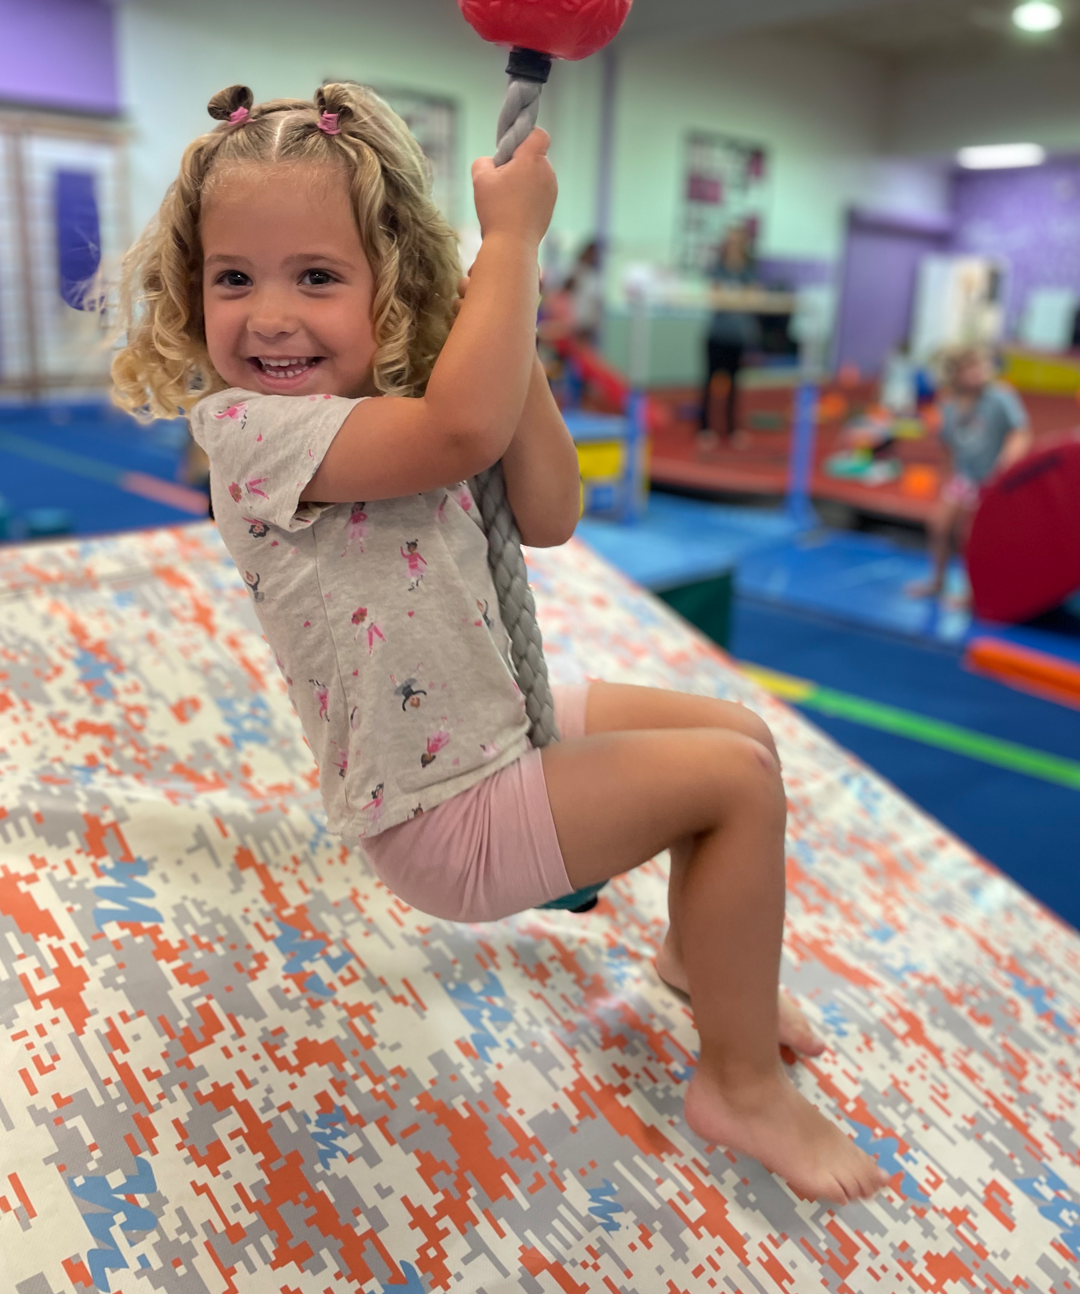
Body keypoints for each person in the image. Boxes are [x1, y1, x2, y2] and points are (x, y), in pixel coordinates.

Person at [111, 81, 886, 1205]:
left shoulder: (418, 389)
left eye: (316, 277)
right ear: (195, 291)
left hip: (493, 724)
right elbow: (458, 431)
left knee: (736, 734)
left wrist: (487, 309)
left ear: (389, 289)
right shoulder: (246, 429)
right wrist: (516, 243)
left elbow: (554, 508)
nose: (269, 315)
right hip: (438, 811)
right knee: (727, 786)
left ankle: (694, 958)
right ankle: (740, 1085)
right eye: (234, 278)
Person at [909, 344, 1032, 602]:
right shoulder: (949, 404)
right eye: (972, 368)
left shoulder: (1000, 397)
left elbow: (1020, 433)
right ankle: (937, 581)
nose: (980, 372)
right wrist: (947, 479)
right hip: (964, 478)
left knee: (971, 536)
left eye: (983, 366)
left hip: (991, 481)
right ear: (956, 374)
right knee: (939, 526)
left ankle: (972, 592)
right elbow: (948, 446)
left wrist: (1006, 462)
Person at [698, 221, 759, 450]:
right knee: (709, 382)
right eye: (730, 240)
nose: (733, 244)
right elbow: (715, 296)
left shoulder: (749, 269)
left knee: (735, 384)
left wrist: (736, 298)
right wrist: (737, 298)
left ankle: (731, 429)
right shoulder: (718, 267)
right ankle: (705, 428)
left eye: (737, 239)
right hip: (717, 334)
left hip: (738, 336)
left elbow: (754, 298)